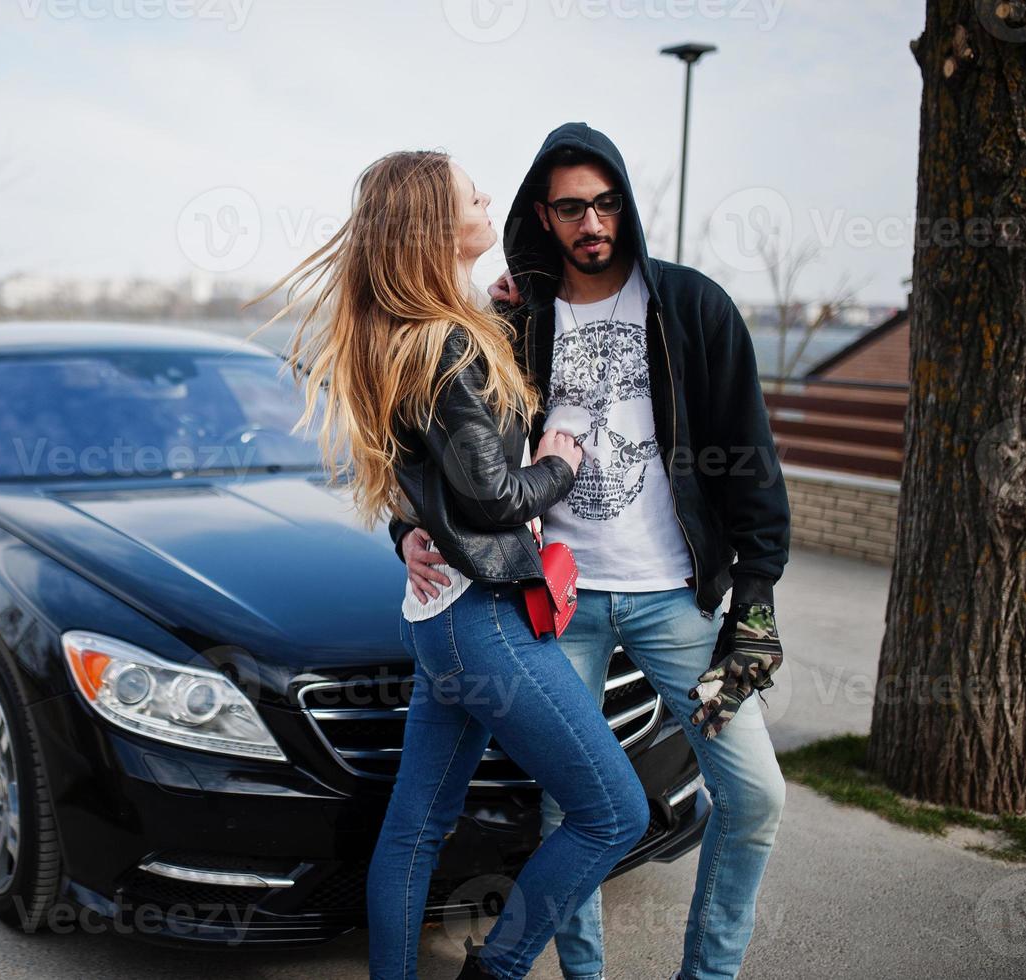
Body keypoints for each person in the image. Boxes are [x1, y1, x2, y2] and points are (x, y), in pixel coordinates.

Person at [389, 123, 790, 980]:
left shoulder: (689, 307)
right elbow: (423, 445)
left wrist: (753, 598)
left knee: (754, 795)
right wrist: (404, 530)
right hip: (550, 607)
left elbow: (749, 458)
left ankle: (706, 973)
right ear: (544, 213)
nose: (591, 222)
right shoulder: (509, 316)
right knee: (572, 813)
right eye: (570, 207)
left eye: (605, 203)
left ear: (625, 207)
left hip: (674, 601)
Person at [259, 149, 650, 980]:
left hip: (444, 623)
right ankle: (497, 971)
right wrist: (563, 460)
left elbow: (434, 467)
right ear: (437, 225)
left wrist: (502, 320)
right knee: (612, 812)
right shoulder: (443, 345)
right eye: (474, 195)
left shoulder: (404, 335)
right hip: (486, 624)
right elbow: (494, 497)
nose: (487, 201)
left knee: (415, 825)